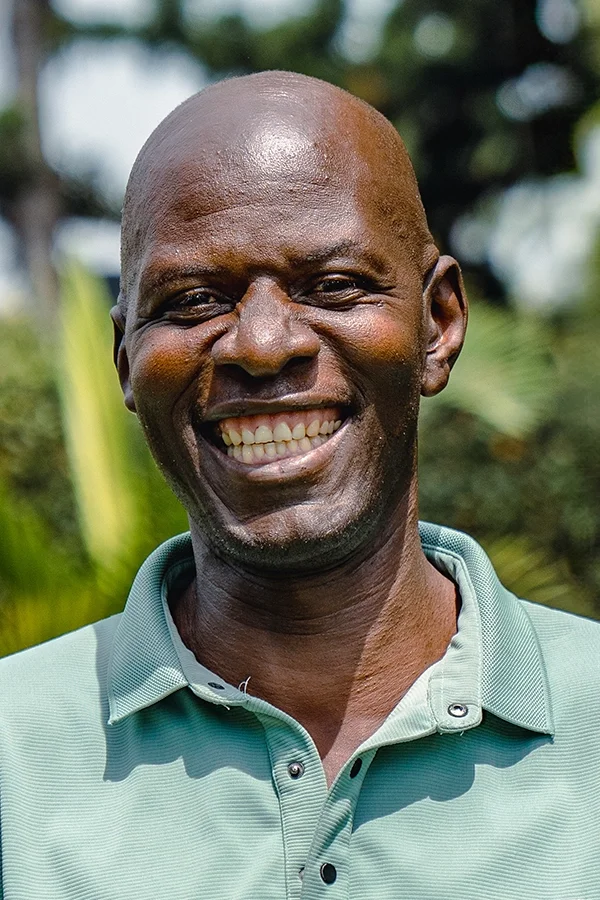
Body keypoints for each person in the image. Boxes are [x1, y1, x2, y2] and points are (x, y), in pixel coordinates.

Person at [1, 71, 599, 900]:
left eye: (334, 287)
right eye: (194, 299)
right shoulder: (14, 761)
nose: (262, 343)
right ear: (126, 359)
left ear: (439, 324)